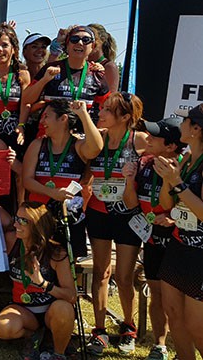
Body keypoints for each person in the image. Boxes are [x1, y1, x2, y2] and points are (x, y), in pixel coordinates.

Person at [85, 92, 146, 356]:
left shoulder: (139, 140)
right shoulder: (96, 138)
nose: (101, 112)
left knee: (123, 276)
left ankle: (128, 328)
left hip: (127, 215)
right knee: (101, 273)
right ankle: (99, 332)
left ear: (124, 117)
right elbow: (86, 170)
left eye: (108, 110)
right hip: (98, 212)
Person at [121, 117, 183, 360]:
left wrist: (174, 218)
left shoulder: (182, 167)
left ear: (170, 146)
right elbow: (131, 203)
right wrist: (128, 180)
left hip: (177, 239)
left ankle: (181, 346)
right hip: (152, 236)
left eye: (155, 137)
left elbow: (183, 206)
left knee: (176, 298)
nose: (147, 138)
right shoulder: (144, 163)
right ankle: (160, 345)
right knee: (156, 292)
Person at [0, 202, 77, 360]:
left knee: (64, 308)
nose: (16, 224)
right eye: (16, 218)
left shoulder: (56, 253)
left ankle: (58, 353)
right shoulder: (11, 240)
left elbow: (71, 296)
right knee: (2, 327)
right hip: (23, 310)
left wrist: (42, 283)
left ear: (37, 225)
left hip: (50, 310)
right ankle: (35, 336)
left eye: (23, 221)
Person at [22, 99, 103, 258]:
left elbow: (96, 148)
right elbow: (27, 180)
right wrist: (51, 192)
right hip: (40, 215)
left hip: (70, 214)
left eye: (47, 116)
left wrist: (83, 114)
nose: (42, 121)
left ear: (63, 119)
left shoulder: (78, 145)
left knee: (69, 261)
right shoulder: (38, 144)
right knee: (40, 260)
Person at [154, 104, 203, 360]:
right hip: (178, 245)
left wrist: (178, 182)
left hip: (200, 254)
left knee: (197, 326)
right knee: (174, 314)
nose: (180, 124)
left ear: (196, 129)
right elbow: (167, 205)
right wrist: (167, 180)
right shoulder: (185, 158)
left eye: (185, 121)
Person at [23, 26, 110, 134]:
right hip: (48, 137)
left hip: (81, 139)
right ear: (67, 44)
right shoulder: (51, 69)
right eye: (74, 39)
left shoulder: (97, 74)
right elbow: (26, 99)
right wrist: (44, 80)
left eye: (86, 40)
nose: (80, 43)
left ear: (92, 46)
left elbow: (107, 108)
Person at [87, 23, 119, 93]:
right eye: (86, 39)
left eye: (92, 38)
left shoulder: (109, 66)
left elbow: (111, 99)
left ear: (102, 40)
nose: (88, 42)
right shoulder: (82, 64)